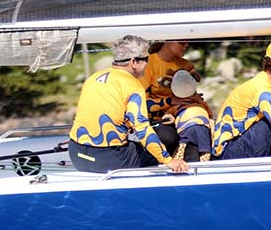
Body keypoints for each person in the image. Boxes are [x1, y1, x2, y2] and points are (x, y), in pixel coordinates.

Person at [69, 35, 189, 174]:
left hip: (76, 154)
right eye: (146, 59)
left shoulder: (93, 78)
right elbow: (142, 129)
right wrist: (169, 161)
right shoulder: (133, 85)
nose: (147, 64)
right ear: (134, 62)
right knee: (165, 138)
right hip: (108, 159)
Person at [139, 40, 205, 120]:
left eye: (187, 41)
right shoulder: (147, 64)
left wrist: (195, 98)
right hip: (156, 120)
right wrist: (169, 101)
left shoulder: (187, 65)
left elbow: (190, 95)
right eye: (182, 41)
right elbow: (140, 104)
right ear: (166, 41)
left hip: (183, 115)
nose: (186, 45)